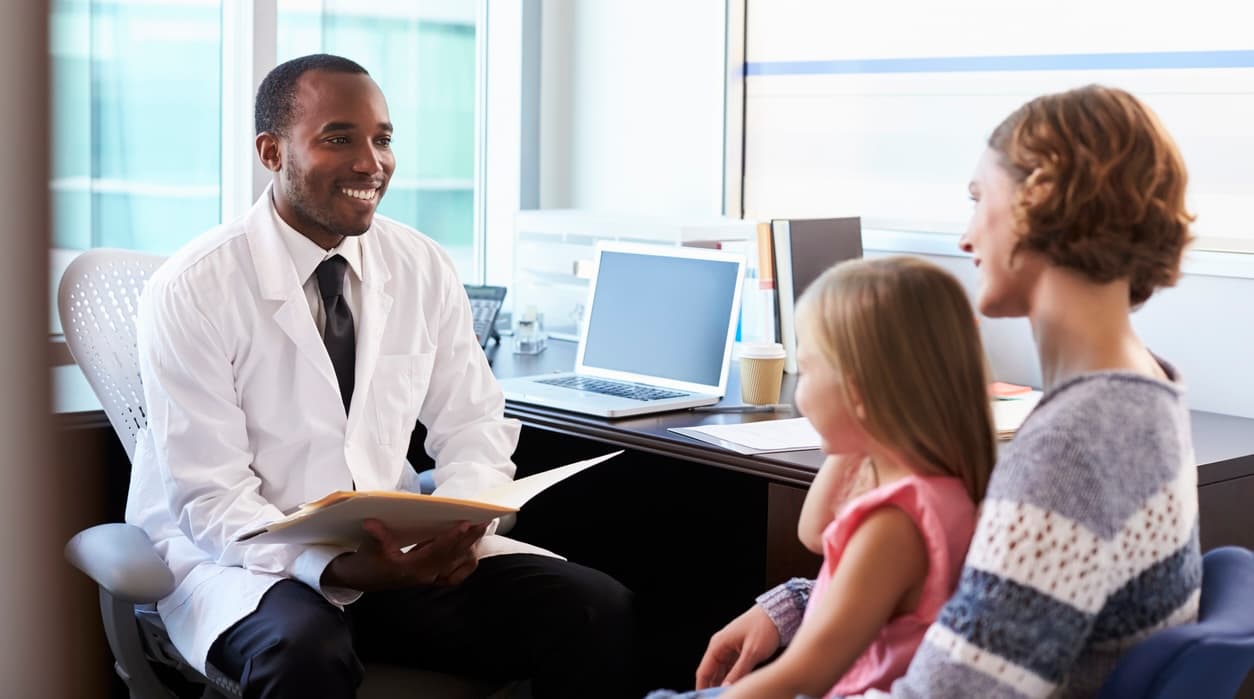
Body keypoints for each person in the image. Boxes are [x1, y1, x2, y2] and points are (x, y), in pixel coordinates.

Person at [127, 53, 633, 698]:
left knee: (594, 609)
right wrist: (335, 563)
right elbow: (208, 496)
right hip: (244, 563)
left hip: (399, 556)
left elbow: (474, 420)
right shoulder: (194, 287)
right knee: (304, 651)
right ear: (271, 152)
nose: (372, 163)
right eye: (339, 138)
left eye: (383, 139)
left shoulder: (419, 264)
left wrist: (465, 524)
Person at [690, 84, 1202, 698]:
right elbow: (971, 597)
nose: (966, 239)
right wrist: (800, 605)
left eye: (978, 198)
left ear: (1040, 199)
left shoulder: (1072, 451)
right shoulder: (1141, 400)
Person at [648, 256, 996, 699]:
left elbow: (806, 673)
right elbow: (814, 532)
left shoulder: (894, 524)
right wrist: (857, 433)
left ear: (858, 391)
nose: (799, 391)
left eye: (808, 370)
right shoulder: (937, 487)